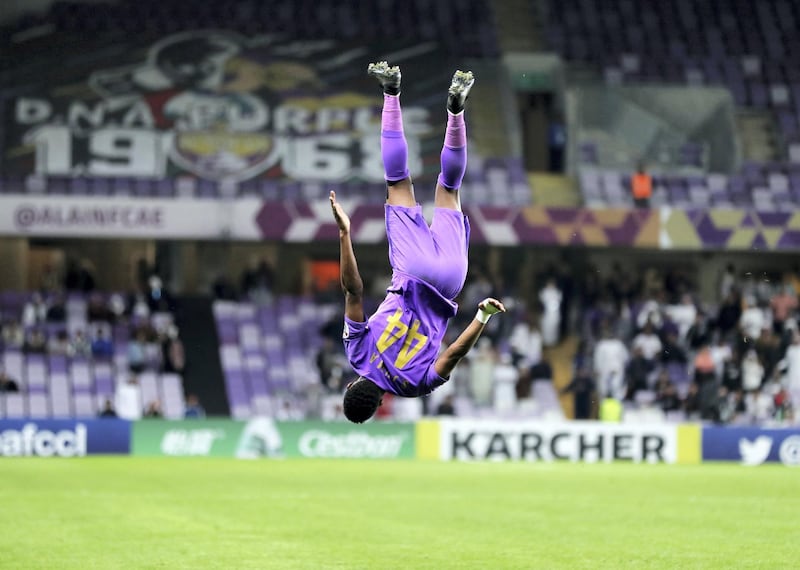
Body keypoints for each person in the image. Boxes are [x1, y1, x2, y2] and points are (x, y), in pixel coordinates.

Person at [331, 61, 505, 424]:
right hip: (412, 272)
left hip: (451, 281)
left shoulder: (413, 387)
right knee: (398, 181)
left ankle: (456, 112)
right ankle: (392, 91)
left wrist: (482, 315)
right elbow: (353, 292)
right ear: (350, 387)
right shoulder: (357, 354)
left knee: (450, 188)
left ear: (380, 406)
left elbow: (455, 352)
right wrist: (345, 234)